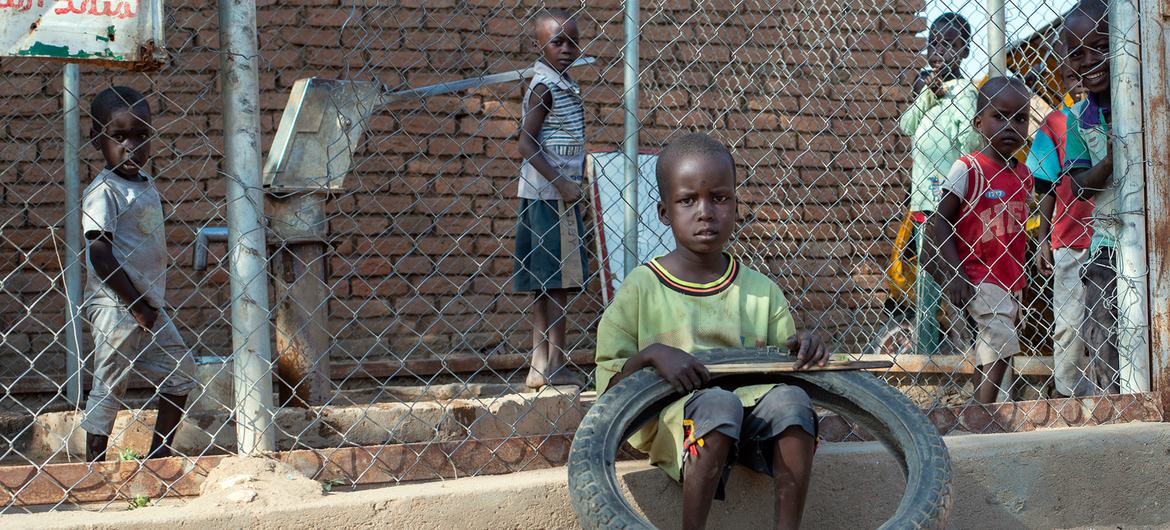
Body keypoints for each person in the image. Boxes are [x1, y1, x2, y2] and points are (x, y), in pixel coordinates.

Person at [594, 133, 829, 530]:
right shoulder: (641, 288)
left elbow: (786, 372)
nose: (705, 212)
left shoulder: (761, 291)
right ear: (664, 212)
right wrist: (652, 354)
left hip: (753, 424)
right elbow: (610, 387)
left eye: (719, 198)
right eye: (688, 200)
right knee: (719, 405)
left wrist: (804, 348)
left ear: (735, 206)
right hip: (677, 423)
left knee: (793, 403)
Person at [80, 86, 196, 461]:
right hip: (117, 304)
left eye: (141, 136)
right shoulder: (104, 191)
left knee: (182, 371)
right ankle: (94, 466)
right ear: (97, 139)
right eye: (119, 137)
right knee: (110, 385)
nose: (131, 147)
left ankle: (159, 457)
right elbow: (100, 254)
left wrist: (145, 307)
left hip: (146, 304)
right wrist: (135, 305)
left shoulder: (144, 184)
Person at [929, 77, 1034, 404]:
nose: (1010, 126)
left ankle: (975, 411)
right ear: (978, 123)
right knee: (1000, 342)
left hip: (1009, 279)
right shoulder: (968, 169)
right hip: (977, 274)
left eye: (1020, 118)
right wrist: (955, 273)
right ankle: (983, 415)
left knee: (990, 346)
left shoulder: (1024, 176)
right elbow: (940, 221)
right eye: (999, 117)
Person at [899, 13, 982, 358]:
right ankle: (926, 352)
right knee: (927, 282)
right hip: (923, 200)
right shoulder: (927, 90)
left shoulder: (964, 91)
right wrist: (926, 97)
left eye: (950, 44)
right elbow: (906, 126)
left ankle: (970, 350)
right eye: (934, 44)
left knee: (952, 276)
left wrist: (957, 107)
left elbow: (971, 144)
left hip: (949, 204)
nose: (939, 52)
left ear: (964, 51)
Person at [514, 9, 588, 389]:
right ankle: (553, 363)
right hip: (551, 198)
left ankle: (540, 364)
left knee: (550, 283)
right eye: (557, 42)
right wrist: (563, 184)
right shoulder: (545, 87)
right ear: (539, 45)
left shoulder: (563, 84)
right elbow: (526, 143)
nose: (566, 49)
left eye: (573, 42)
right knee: (556, 282)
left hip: (551, 196)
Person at [1028, 41, 1096, 398]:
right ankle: (1068, 392)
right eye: (1073, 76)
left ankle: (1113, 390)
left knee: (1111, 322)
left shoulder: (1121, 115)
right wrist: (1042, 238)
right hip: (1071, 238)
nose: (1081, 81)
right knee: (1070, 324)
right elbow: (1045, 186)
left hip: (1116, 235)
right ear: (1063, 79)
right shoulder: (1056, 123)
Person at [1062, 0, 1119, 393]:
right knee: (1100, 328)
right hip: (1107, 242)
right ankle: (1115, 399)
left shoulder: (1151, 94)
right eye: (1078, 53)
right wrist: (1110, 162)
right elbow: (1079, 185)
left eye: (1101, 47)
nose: (1089, 61)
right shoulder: (1079, 117)